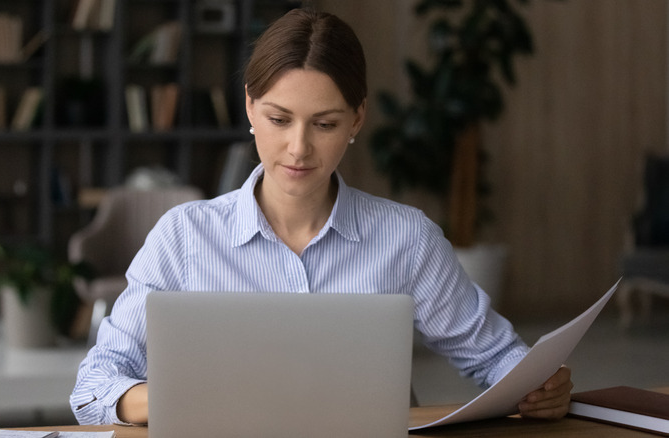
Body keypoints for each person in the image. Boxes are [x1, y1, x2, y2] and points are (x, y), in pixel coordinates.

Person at [70, 8, 573, 426]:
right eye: (278, 119)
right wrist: (179, 401)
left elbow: (496, 357)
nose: (298, 148)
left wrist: (540, 385)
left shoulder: (406, 238)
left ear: (357, 118)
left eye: (325, 124)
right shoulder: (184, 236)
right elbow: (92, 390)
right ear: (249, 107)